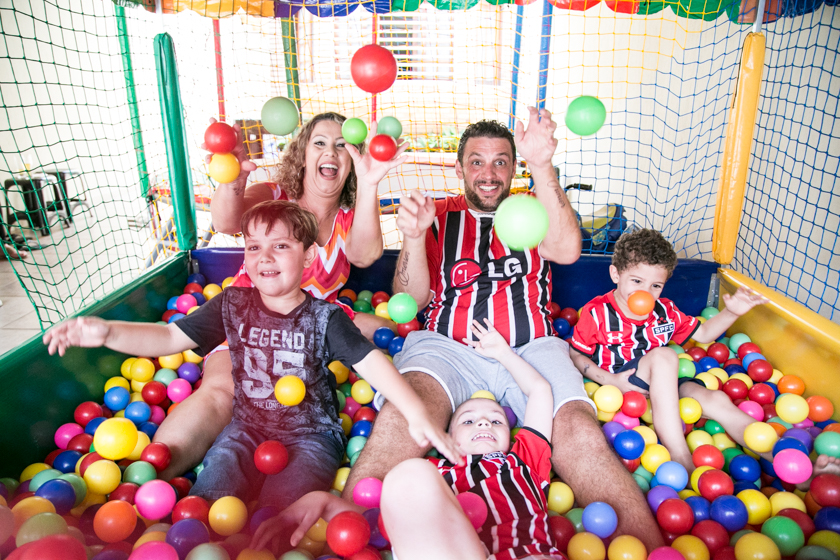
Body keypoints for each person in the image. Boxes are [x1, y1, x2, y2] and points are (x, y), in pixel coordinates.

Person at [344, 108, 665, 551]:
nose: (489, 173)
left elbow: (567, 251)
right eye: (477, 161)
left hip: (531, 346)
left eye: (501, 161)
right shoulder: (438, 214)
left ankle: (649, 548)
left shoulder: (535, 207)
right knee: (404, 414)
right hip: (446, 347)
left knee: (577, 429)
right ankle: (342, 535)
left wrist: (542, 164)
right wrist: (415, 238)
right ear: (459, 168)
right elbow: (411, 300)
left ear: (514, 168)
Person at [43, 200, 458, 510]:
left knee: (284, 512)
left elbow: (373, 363)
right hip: (244, 429)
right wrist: (107, 331)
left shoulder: (326, 317)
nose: (265, 257)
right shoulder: (231, 304)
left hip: (312, 436)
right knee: (209, 500)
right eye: (254, 247)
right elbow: (168, 338)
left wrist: (416, 413)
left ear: (308, 257)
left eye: (280, 246)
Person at [154, 112, 405, 480]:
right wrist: (233, 181)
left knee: (390, 331)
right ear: (303, 154)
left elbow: (365, 255)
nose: (331, 152)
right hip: (252, 315)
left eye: (342, 146)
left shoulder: (351, 216)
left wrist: (369, 186)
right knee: (224, 389)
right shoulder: (276, 196)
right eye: (320, 143)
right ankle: (151, 475)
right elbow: (226, 222)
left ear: (353, 160)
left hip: (311, 320)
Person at [251, 318, 564, 560]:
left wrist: (503, 354)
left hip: (530, 554)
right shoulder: (436, 474)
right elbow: (385, 524)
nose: (483, 421)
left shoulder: (525, 459)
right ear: (448, 437)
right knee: (408, 475)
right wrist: (324, 501)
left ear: (511, 436)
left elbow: (540, 392)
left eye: (496, 420)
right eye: (468, 420)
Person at [569, 228, 776, 471]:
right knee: (665, 355)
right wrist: (611, 380)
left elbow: (703, 334)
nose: (645, 292)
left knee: (716, 399)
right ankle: (682, 460)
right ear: (616, 274)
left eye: (656, 285)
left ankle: (783, 458)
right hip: (622, 386)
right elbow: (576, 353)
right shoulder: (597, 313)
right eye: (637, 281)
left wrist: (731, 313)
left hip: (662, 386)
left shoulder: (665, 311)